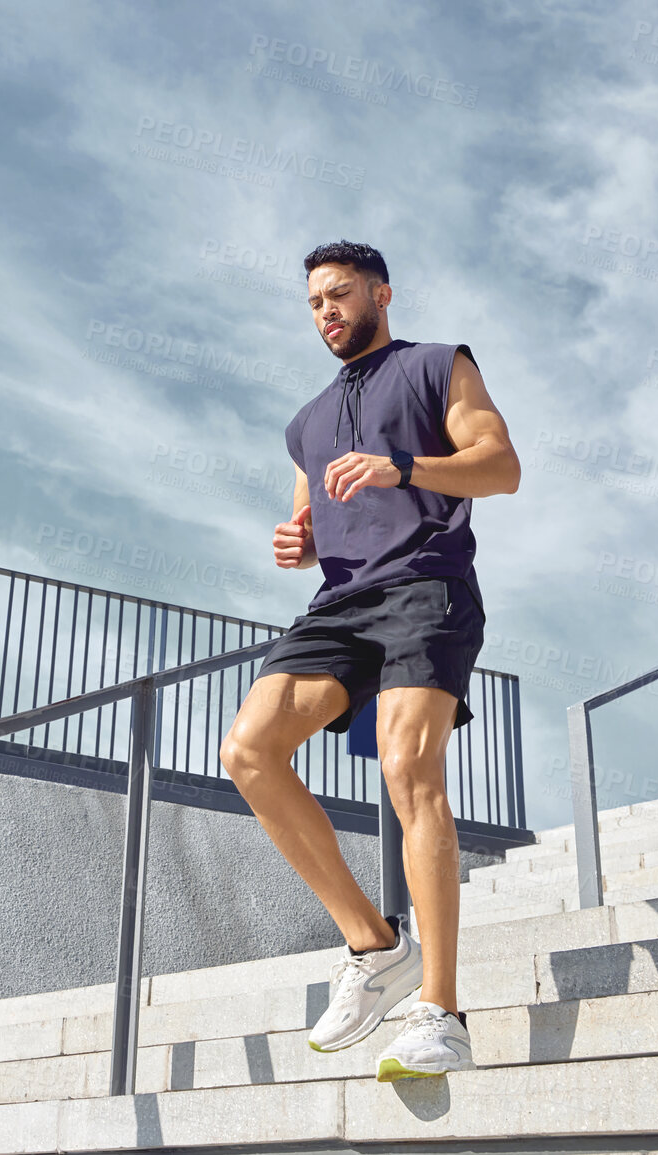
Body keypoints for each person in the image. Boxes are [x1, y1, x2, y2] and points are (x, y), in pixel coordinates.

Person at [218, 240, 520, 1082]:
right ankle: (373, 944)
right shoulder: (305, 423)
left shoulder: (436, 366)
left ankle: (440, 1010)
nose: (326, 312)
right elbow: (309, 517)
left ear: (381, 293)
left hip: (427, 587)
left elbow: (501, 467)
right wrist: (296, 536)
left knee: (406, 767)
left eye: (341, 295)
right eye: (315, 301)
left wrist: (404, 467)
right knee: (247, 750)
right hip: (341, 605)